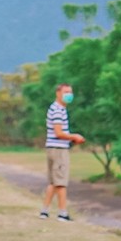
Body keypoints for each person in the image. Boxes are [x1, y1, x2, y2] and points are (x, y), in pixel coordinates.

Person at [40, 82, 85, 221]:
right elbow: (59, 132)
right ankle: (62, 213)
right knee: (61, 182)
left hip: (53, 147)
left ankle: (45, 211)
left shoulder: (56, 108)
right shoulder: (58, 110)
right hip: (58, 149)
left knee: (53, 182)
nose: (68, 95)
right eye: (66, 92)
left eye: (70, 92)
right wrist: (74, 136)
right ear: (58, 93)